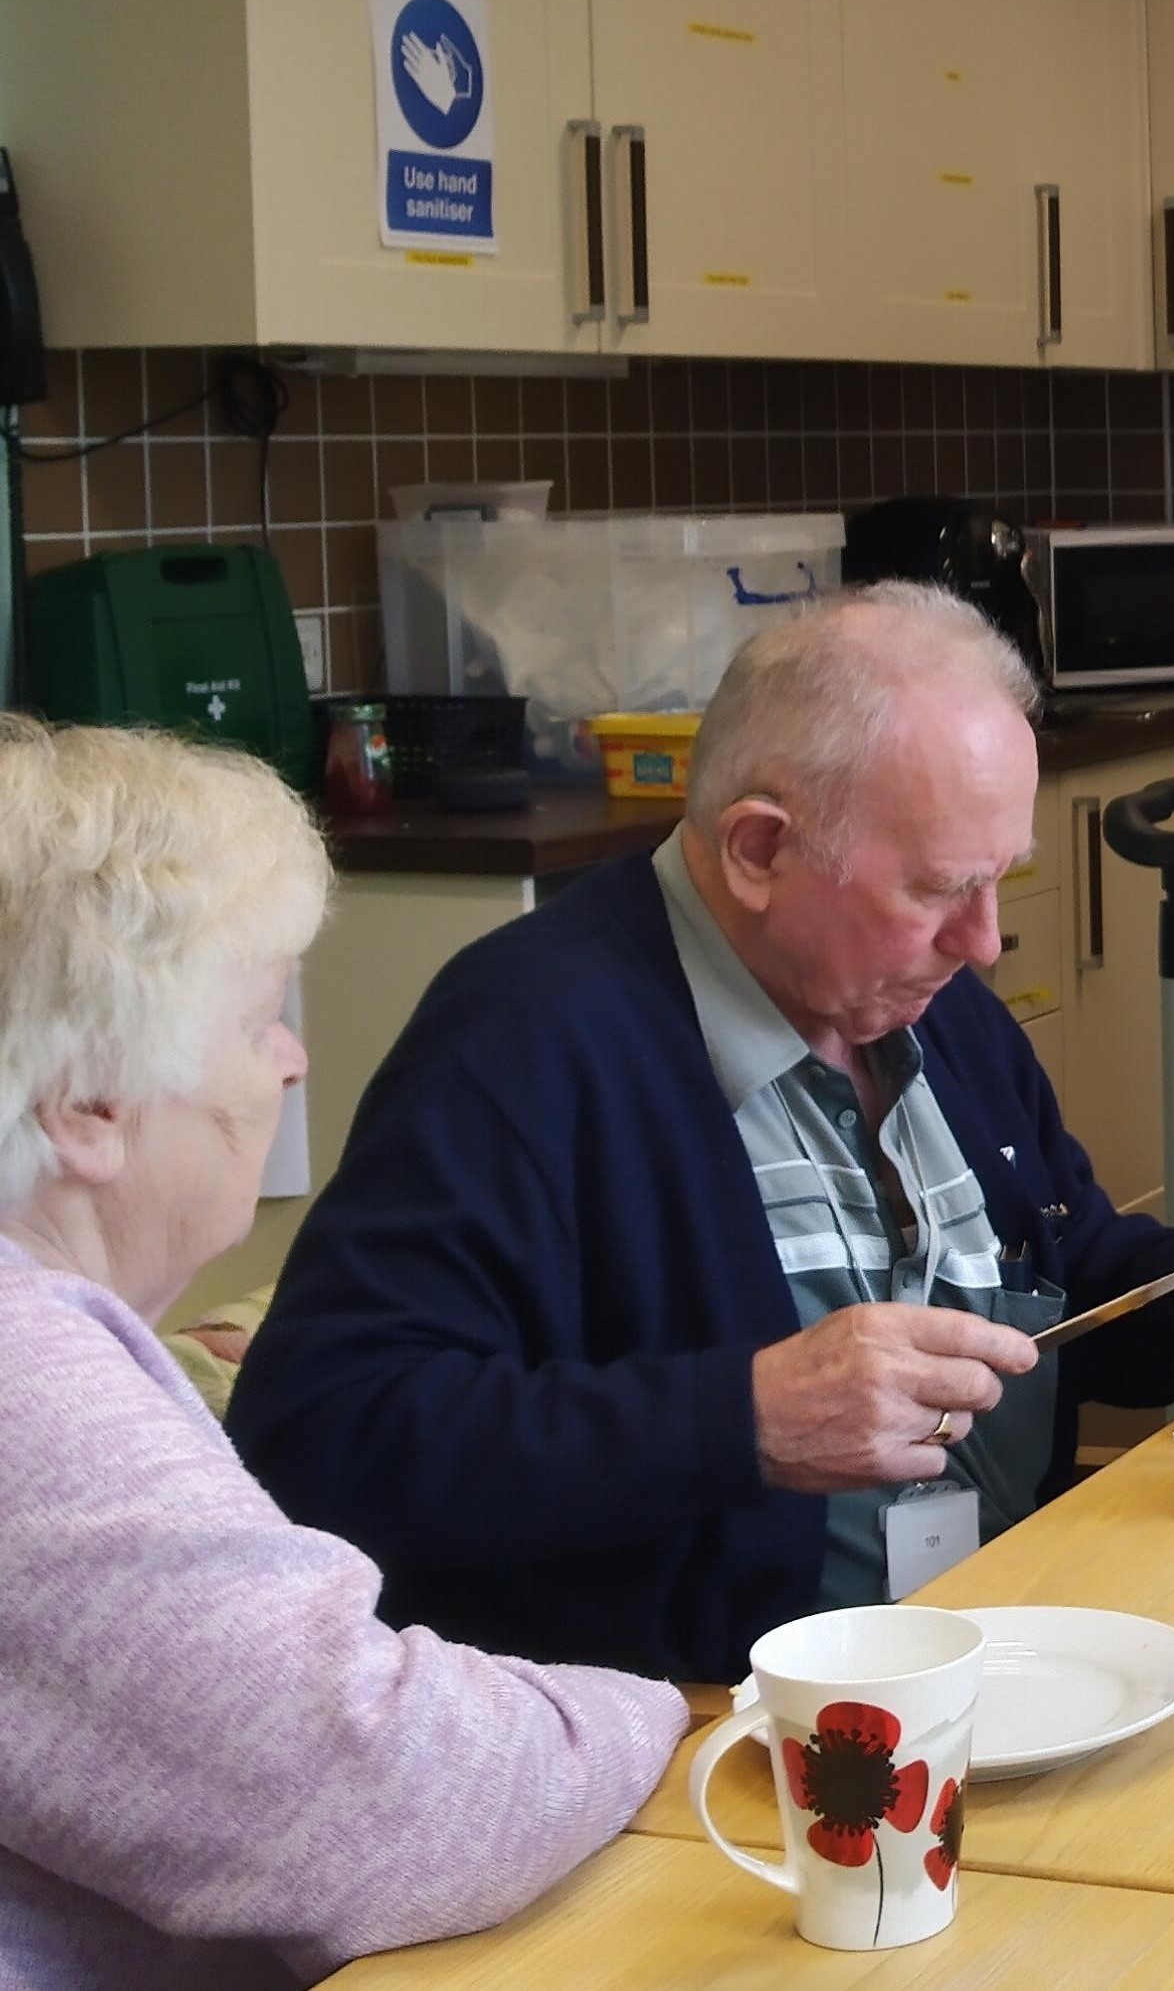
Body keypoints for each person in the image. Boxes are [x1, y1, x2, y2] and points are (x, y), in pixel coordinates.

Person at [232, 586, 1174, 1683]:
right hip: (703, 1747)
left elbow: (1055, 1283)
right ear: (760, 849)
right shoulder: (523, 1042)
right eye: (938, 890)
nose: (984, 940)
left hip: (1008, 1658)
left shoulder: (930, 1006)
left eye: (998, 881)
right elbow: (318, 1440)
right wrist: (743, 1417)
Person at [0, 717, 684, 1988]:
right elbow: (378, 1793)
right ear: (88, 1101)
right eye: (261, 1017)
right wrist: (663, 1711)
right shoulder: (20, 1383)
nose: (294, 1059)